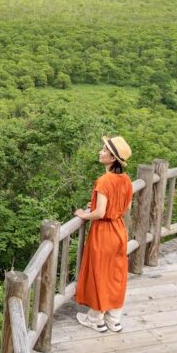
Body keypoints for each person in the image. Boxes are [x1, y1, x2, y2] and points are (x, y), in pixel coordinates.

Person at [73, 135, 134, 333]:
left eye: (105, 150)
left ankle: (96, 318)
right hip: (118, 230)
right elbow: (125, 208)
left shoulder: (104, 180)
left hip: (103, 231)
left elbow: (99, 213)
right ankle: (114, 319)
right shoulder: (126, 180)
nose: (101, 152)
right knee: (115, 274)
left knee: (99, 273)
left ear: (113, 158)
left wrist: (84, 214)